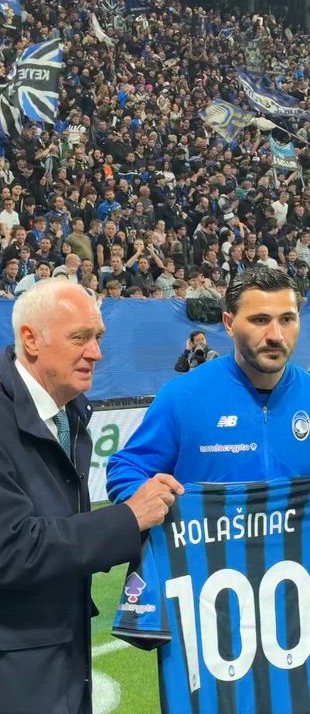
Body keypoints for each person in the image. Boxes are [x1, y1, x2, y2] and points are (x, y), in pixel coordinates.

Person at [0, 279, 183, 714]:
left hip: (60, 656)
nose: (96, 353)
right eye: (79, 338)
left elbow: (60, 531)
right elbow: (12, 549)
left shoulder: (69, 413)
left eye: (98, 337)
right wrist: (128, 519)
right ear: (31, 340)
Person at [108, 268, 310, 514]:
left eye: (287, 319)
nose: (276, 335)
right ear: (229, 323)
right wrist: (142, 494)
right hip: (210, 552)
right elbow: (128, 469)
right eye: (260, 320)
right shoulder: (181, 397)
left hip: (300, 554)